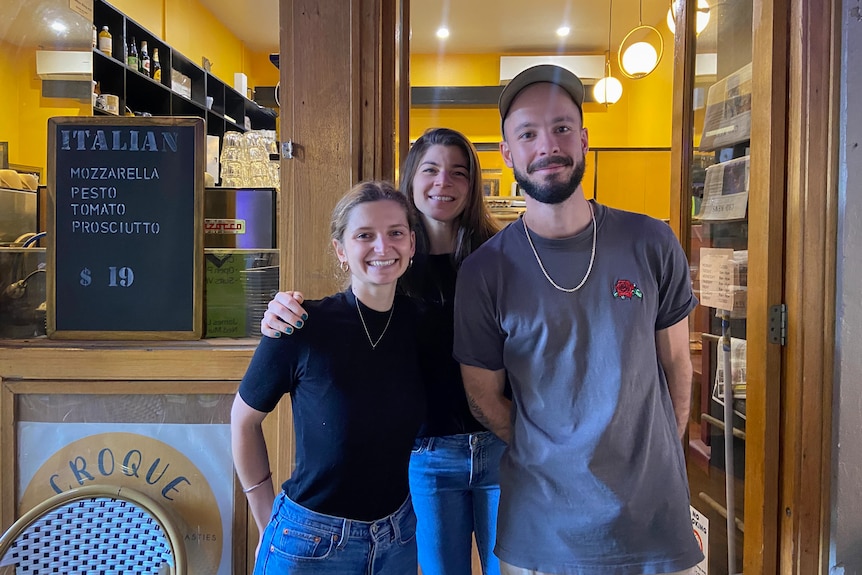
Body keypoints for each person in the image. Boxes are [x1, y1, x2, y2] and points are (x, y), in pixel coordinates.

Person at [453, 65, 704, 575]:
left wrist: (657, 454)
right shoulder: (485, 271)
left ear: (584, 139)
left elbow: (678, 363)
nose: (548, 145)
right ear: (507, 153)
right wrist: (546, 450)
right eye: (528, 133)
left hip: (654, 525)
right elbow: (482, 392)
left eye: (562, 127)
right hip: (542, 531)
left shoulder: (650, 241)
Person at [260, 127, 505, 575]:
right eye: (430, 170)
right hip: (426, 454)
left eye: (458, 172)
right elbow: (346, 323)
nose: (443, 183)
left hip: (500, 444)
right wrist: (280, 310)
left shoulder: (499, 256)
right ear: (411, 179)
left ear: (473, 185)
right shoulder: (389, 262)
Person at [231, 180, 424, 575]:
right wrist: (268, 521)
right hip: (311, 540)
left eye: (396, 233)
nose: (383, 248)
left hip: (399, 536)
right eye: (364, 235)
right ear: (341, 250)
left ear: (412, 244)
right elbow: (243, 420)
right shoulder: (301, 324)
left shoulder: (425, 324)